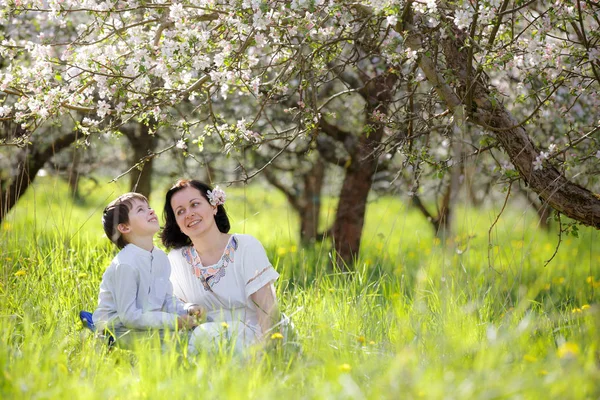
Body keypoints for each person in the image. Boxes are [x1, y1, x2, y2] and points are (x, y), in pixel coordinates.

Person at [161, 179, 285, 354]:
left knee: (205, 335)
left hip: (255, 336)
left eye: (195, 204)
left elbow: (268, 311)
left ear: (214, 206)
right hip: (203, 342)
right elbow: (175, 312)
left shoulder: (246, 246)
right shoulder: (177, 259)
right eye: (180, 211)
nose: (188, 214)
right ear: (177, 223)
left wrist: (269, 352)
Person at [92, 192, 202, 349]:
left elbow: (164, 299)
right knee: (182, 342)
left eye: (149, 207)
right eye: (140, 210)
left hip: (144, 324)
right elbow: (129, 317)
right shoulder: (125, 264)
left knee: (200, 331)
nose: (151, 211)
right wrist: (175, 322)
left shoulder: (160, 258)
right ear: (124, 227)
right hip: (116, 329)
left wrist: (187, 308)